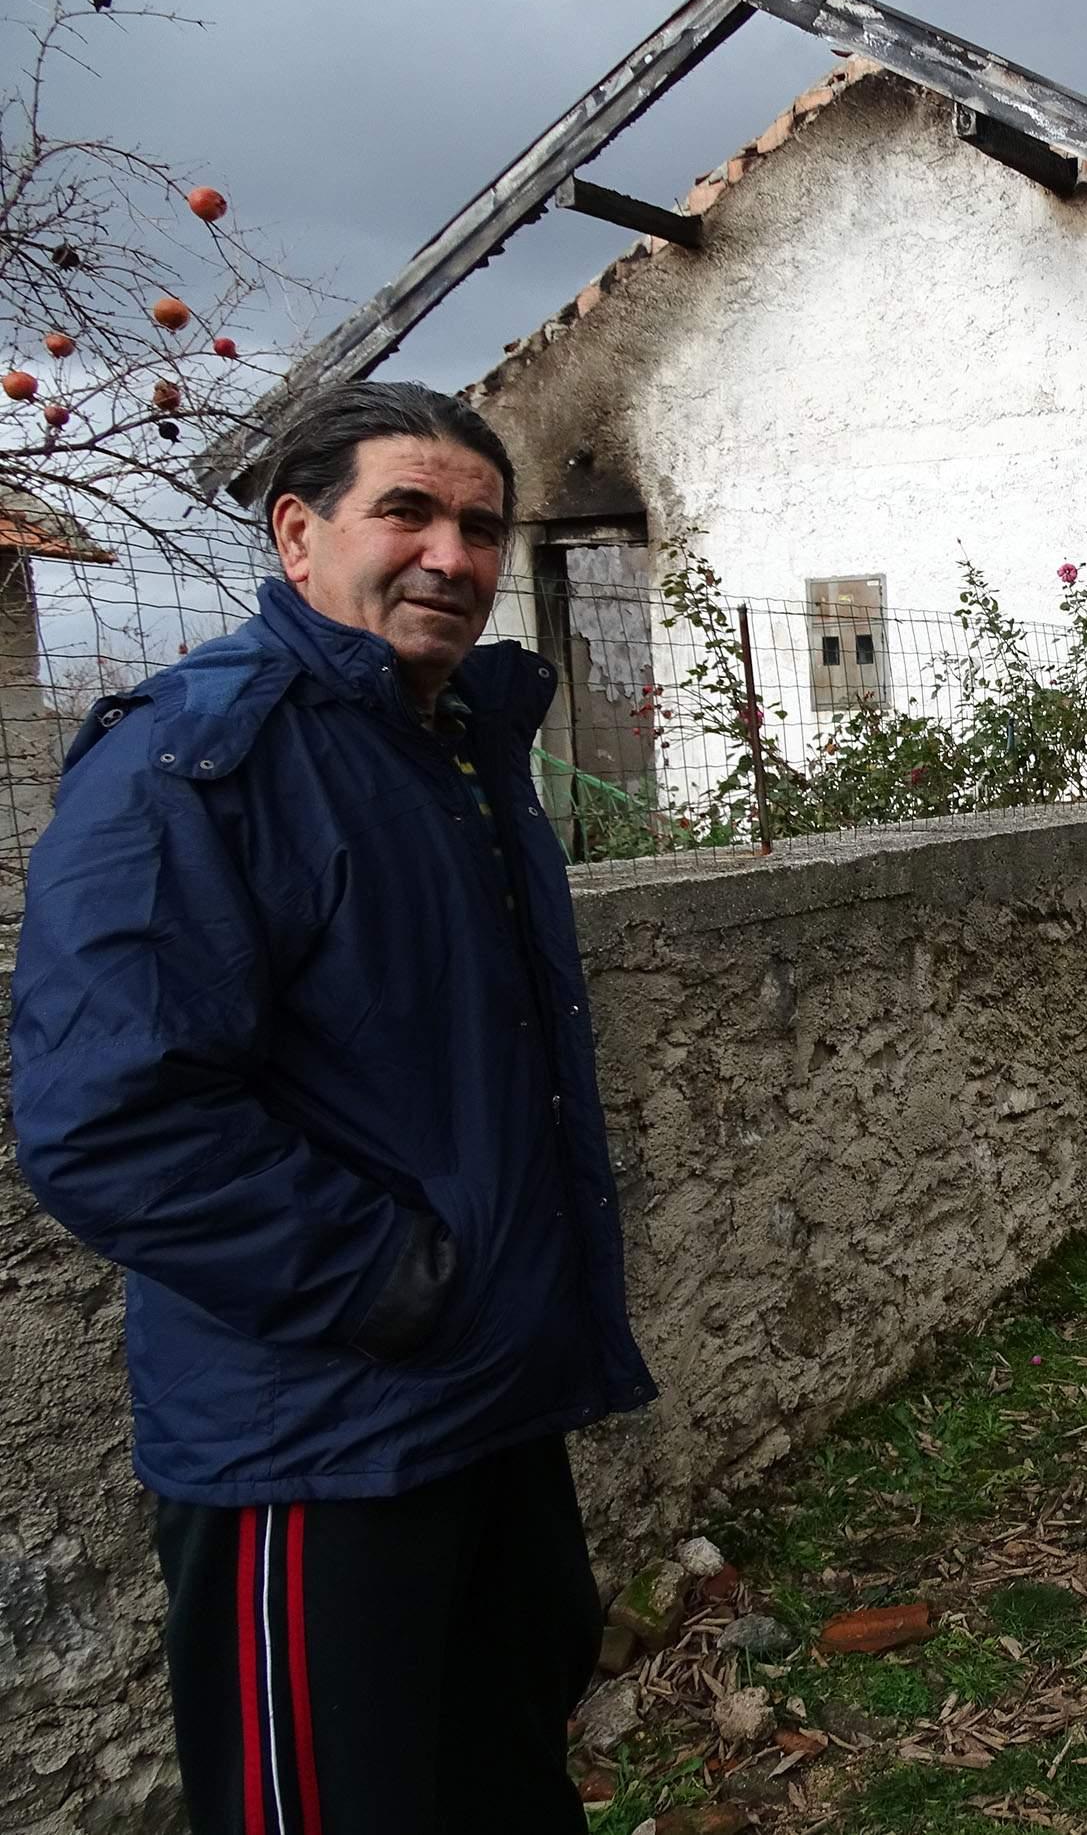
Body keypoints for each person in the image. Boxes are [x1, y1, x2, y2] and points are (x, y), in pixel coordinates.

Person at [10, 382, 656, 1831]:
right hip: (316, 1433)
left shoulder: (454, 751)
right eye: (408, 512)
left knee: (502, 1776)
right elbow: (113, 1119)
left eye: (482, 526)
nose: (453, 554)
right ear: (299, 534)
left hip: (487, 1403)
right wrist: (388, 1277)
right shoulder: (195, 763)